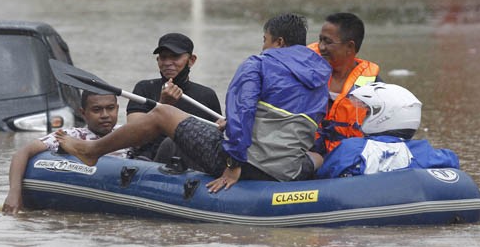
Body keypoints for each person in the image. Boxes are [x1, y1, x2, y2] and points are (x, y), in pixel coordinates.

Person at [57, 13, 331, 192]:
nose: (263, 47)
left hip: (251, 165)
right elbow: (292, 124)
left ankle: (91, 151)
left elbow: (244, 110)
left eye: (265, 40)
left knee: (163, 113)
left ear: (279, 42)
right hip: (290, 170)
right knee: (318, 156)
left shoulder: (258, 65)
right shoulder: (322, 74)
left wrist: (233, 167)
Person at [1, 91, 128, 215]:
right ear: (83, 113)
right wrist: (14, 193)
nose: (105, 115)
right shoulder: (70, 136)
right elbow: (22, 153)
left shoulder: (126, 134)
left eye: (110, 108)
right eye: (97, 110)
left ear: (117, 109)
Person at [315, 83, 459, 179]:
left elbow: (323, 177)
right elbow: (451, 161)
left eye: (367, 113)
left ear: (384, 115)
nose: (363, 117)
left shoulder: (351, 148)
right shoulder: (421, 150)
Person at [126, 32, 222, 164]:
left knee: (174, 142)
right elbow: (133, 135)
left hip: (190, 164)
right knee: (169, 144)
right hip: (148, 161)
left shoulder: (206, 95)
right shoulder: (144, 88)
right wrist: (163, 105)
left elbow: (215, 141)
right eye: (163, 57)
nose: (167, 63)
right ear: (158, 60)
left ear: (191, 60)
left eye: (175, 57)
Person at [308, 13, 382, 155]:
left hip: (348, 160)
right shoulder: (305, 68)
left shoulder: (374, 85)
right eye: (320, 40)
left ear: (349, 46)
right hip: (307, 156)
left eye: (327, 42)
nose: (321, 47)